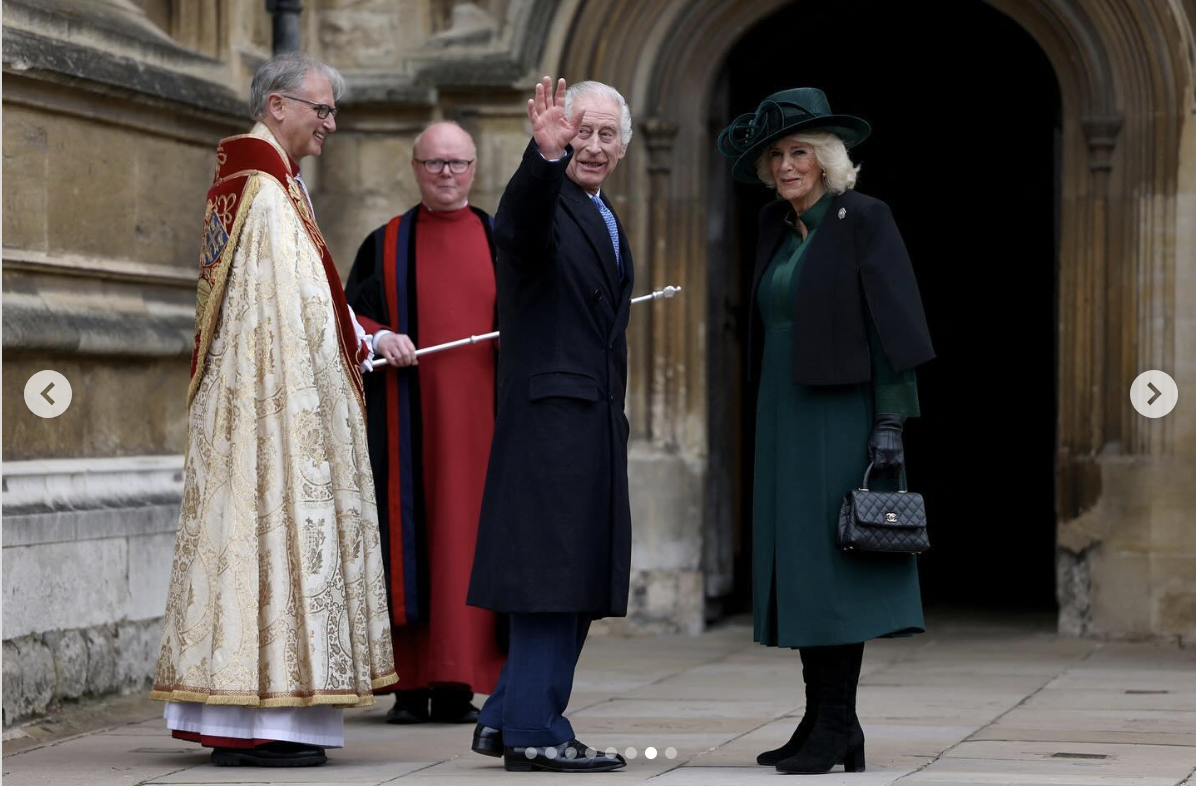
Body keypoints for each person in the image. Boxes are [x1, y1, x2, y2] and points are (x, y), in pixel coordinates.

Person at [150, 52, 398, 768]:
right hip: (272, 416)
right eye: (320, 110)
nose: (330, 124)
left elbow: (309, 301)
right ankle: (262, 723)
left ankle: (258, 720)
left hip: (275, 407)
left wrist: (364, 336)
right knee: (269, 540)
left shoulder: (275, 183)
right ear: (278, 105)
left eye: (333, 111)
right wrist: (343, 359)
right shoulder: (258, 188)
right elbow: (273, 320)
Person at [716, 88, 935, 775]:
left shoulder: (864, 218)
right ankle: (824, 720)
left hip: (843, 415)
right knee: (802, 571)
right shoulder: (776, 227)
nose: (786, 165)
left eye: (799, 152)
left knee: (836, 572)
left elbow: (893, 326)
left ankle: (837, 722)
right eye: (777, 155)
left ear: (829, 160)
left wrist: (891, 422)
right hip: (784, 414)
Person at [464, 76, 634, 774]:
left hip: (589, 422)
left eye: (605, 135)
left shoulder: (602, 209)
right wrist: (540, 159)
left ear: (624, 145)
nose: (591, 147)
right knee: (550, 578)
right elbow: (519, 228)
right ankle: (536, 729)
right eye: (580, 132)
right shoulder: (549, 200)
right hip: (552, 424)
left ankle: (506, 716)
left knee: (574, 574)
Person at [345, 121, 504, 726]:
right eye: (435, 163)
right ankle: (409, 685)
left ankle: (460, 683)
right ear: (415, 168)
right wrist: (382, 335)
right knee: (407, 541)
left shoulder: (502, 240)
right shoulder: (384, 244)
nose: (446, 174)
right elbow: (347, 315)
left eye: (458, 163)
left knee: (470, 545)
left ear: (474, 168)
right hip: (406, 428)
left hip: (484, 430)